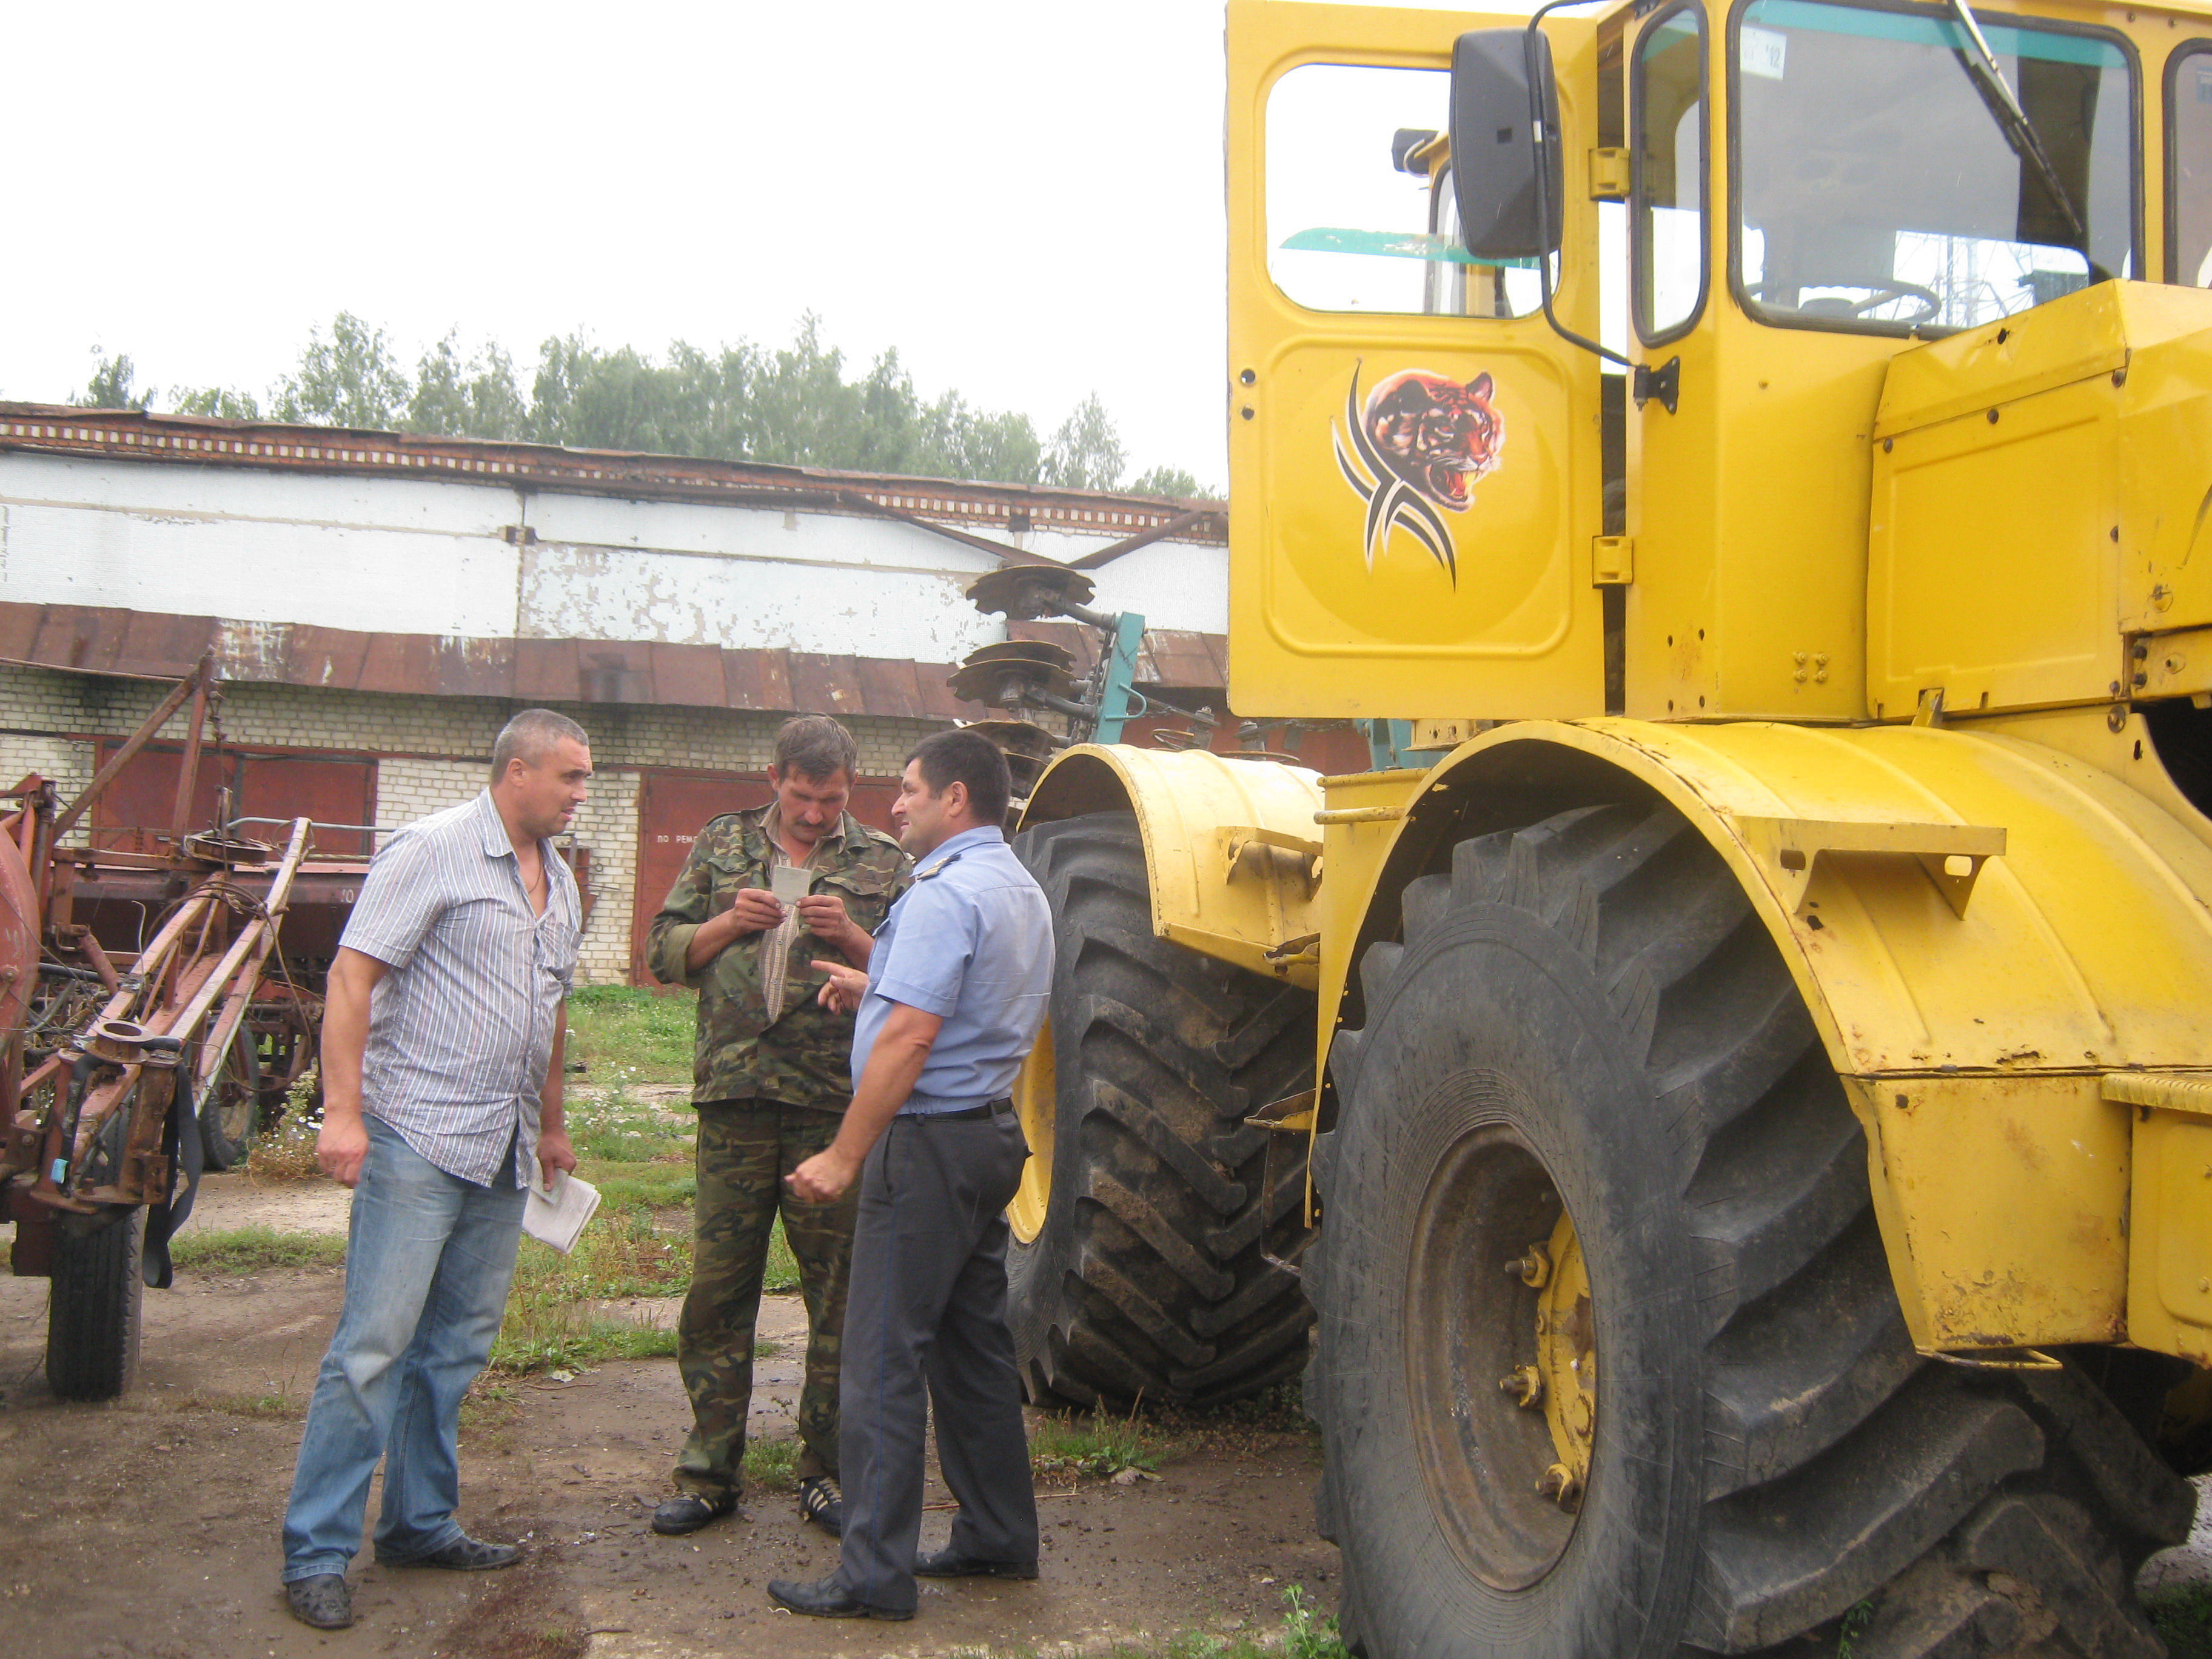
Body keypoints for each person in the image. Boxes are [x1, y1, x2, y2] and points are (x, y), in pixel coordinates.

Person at [279, 708, 590, 1632]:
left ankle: (418, 1523)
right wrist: (341, 1116)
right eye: (570, 778)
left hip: (500, 1145)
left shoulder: (562, 881)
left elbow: (552, 1007)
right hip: (416, 1134)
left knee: (454, 1347)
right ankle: (317, 1550)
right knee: (374, 1347)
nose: (582, 796)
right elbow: (351, 977)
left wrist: (552, 1126)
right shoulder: (432, 850)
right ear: (518, 772)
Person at [766, 728, 1053, 1621]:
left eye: (909, 791)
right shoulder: (1017, 886)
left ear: (955, 800)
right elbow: (956, 1005)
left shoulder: (942, 893)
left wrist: (846, 1152)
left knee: (883, 1360)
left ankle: (872, 1576)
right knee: (973, 1354)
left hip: (924, 1147)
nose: (895, 806)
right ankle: (999, 1536)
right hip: (987, 1139)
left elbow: (914, 1037)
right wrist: (874, 987)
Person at [643, 714, 911, 1538]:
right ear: (774, 779)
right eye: (802, 796)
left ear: (849, 790)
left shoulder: (883, 863)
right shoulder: (723, 845)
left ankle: (826, 1472)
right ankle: (709, 1471)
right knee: (719, 1293)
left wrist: (853, 937)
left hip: (832, 1107)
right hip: (735, 1100)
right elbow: (662, 953)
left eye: (831, 800)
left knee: (838, 1297)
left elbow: (920, 982)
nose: (815, 815)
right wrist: (731, 922)